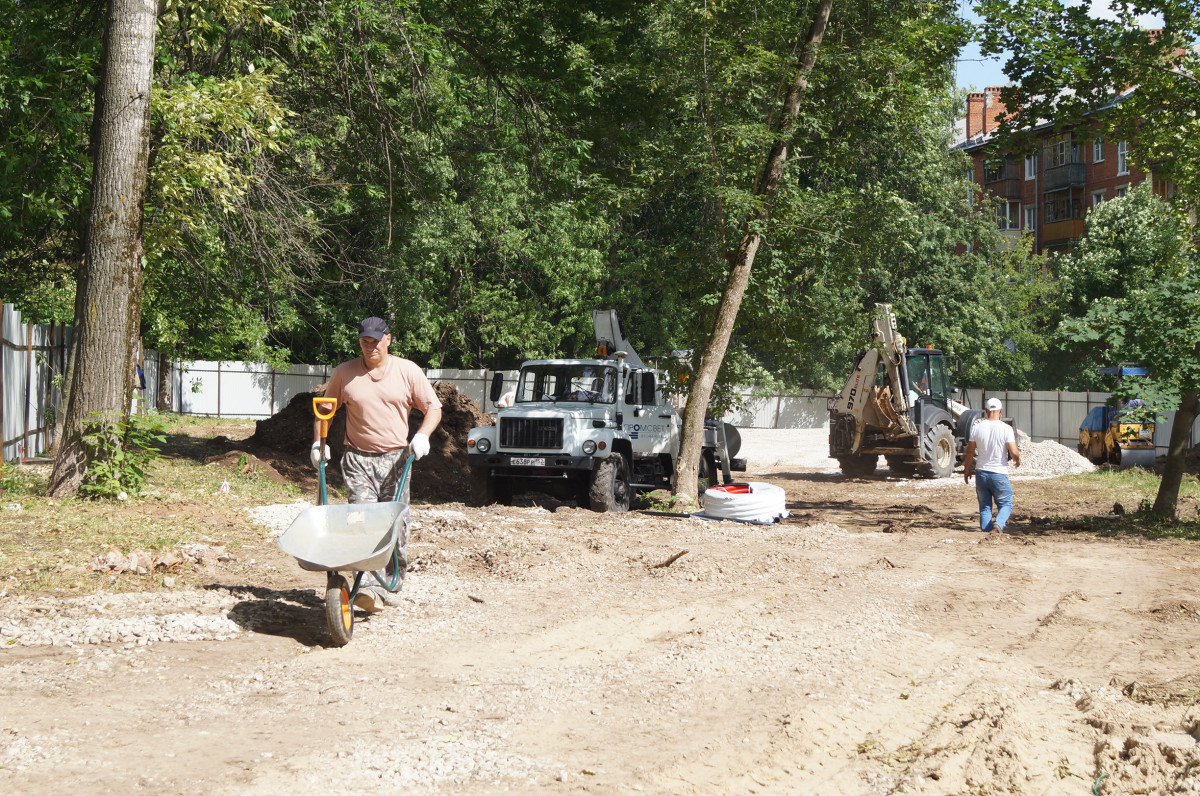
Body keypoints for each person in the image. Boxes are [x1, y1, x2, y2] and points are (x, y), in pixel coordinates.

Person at [311, 316, 442, 612]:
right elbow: (326, 411)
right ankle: (368, 587)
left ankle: (393, 582)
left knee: (396, 524)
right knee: (362, 522)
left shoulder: (407, 371)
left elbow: (433, 407)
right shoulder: (344, 373)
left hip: (398, 459)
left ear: (388, 339)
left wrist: (422, 436)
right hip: (358, 458)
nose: (370, 347)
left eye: (375, 341)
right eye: (364, 342)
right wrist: (319, 442)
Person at [963, 397, 1021, 533]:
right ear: (1001, 410)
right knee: (1006, 503)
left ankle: (986, 531)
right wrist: (1017, 460)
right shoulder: (1006, 428)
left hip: (981, 473)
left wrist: (967, 470)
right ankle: (998, 525)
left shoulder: (976, 427)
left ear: (986, 411)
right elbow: (1013, 451)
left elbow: (970, 451)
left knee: (985, 506)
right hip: (999, 472)